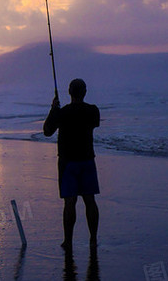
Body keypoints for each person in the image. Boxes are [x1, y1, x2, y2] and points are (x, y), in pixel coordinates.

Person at [44, 78, 101, 250]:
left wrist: (53, 109)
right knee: (90, 200)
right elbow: (95, 123)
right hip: (87, 161)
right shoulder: (93, 111)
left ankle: (68, 241)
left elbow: (47, 131)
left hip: (68, 163)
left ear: (69, 92)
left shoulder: (63, 113)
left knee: (70, 202)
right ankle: (93, 239)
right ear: (85, 92)